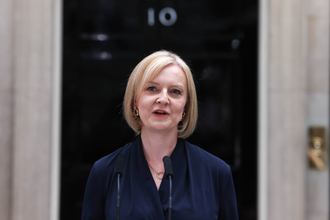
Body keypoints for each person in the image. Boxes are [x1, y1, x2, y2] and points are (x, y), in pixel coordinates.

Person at [81, 50, 239, 220]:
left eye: (175, 91)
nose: (163, 99)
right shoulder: (105, 172)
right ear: (135, 101)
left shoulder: (217, 173)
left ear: (185, 107)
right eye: (152, 89)